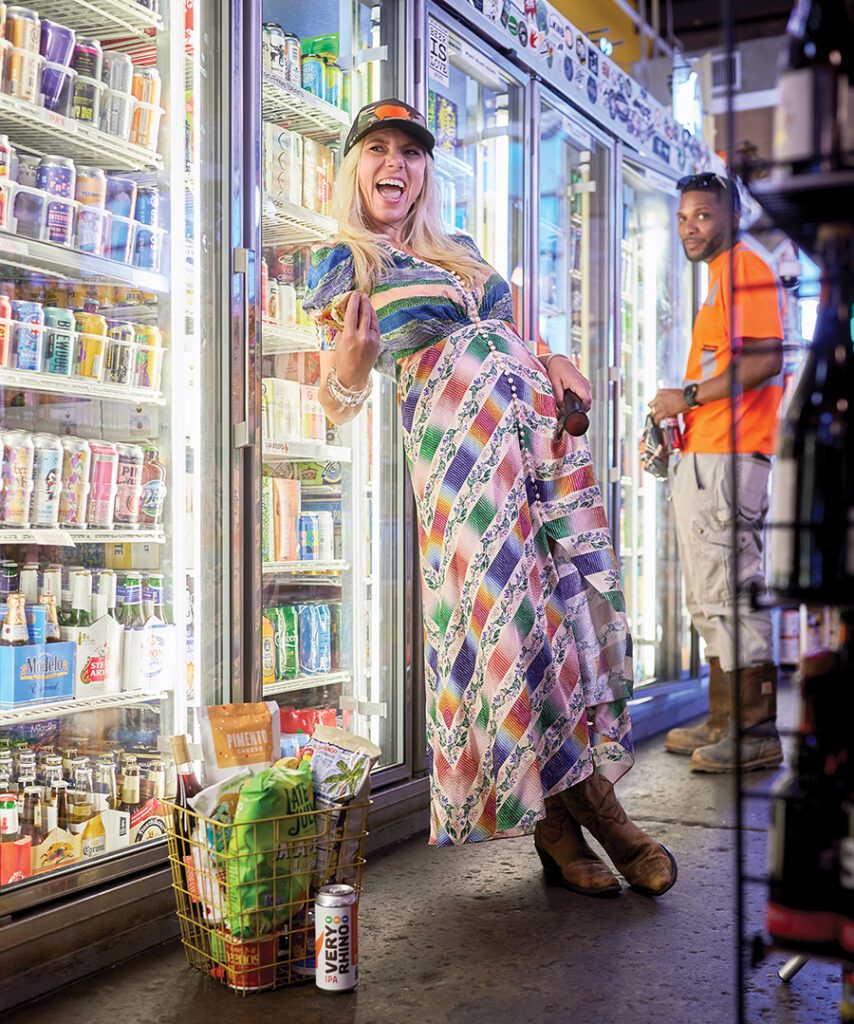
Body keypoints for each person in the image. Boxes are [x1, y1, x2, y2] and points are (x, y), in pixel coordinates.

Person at [303, 97, 677, 898]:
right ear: (352, 166)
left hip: (539, 457)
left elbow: (511, 340)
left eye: (410, 152)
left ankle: (557, 832)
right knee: (516, 634)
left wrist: (556, 362)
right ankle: (607, 822)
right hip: (465, 479)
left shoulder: (461, 251)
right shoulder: (345, 262)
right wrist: (354, 367)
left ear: (426, 171)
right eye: (377, 149)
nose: (395, 164)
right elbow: (334, 403)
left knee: (563, 627)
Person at [648, 172, 785, 774]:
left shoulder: (745, 266)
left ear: (730, 216)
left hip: (731, 456)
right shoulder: (721, 277)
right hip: (708, 454)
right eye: (683, 218)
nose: (690, 228)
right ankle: (724, 719)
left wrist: (689, 395)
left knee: (731, 591)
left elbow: (765, 359)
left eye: (702, 216)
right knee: (710, 597)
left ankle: (755, 732)